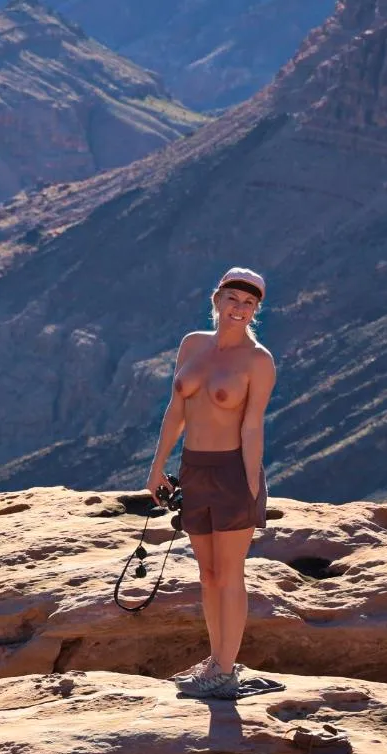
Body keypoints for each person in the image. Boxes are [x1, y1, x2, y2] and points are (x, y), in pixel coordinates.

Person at [145, 267, 277, 699]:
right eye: (233, 300)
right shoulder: (192, 344)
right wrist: (158, 466)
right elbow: (175, 410)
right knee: (206, 574)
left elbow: (252, 427)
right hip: (194, 469)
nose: (240, 310)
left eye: (249, 304)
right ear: (217, 299)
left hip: (233, 472)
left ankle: (225, 668)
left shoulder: (258, 360)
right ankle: (217, 661)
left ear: (256, 310)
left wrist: (252, 486)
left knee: (229, 573)